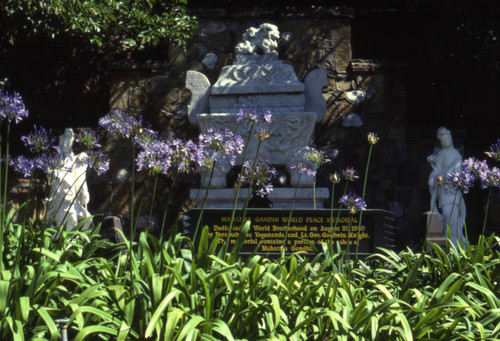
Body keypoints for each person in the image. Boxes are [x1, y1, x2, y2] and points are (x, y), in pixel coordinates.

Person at [46, 128, 91, 233]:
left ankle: (73, 240)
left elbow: (80, 175)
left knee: (76, 219)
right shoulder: (56, 160)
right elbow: (51, 174)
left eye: (69, 141)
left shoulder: (76, 159)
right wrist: (59, 176)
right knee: (60, 220)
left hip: (72, 196)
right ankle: (60, 240)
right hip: (60, 195)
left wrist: (83, 191)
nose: (66, 144)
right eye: (63, 141)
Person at [427, 127, 466, 246]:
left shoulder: (456, 154)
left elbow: (458, 167)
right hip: (443, 189)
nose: (446, 141)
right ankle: (447, 237)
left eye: (447, 138)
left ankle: (453, 239)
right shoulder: (440, 154)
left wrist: (448, 172)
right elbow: (436, 170)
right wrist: (432, 178)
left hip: (452, 191)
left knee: (452, 214)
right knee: (445, 214)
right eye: (443, 139)